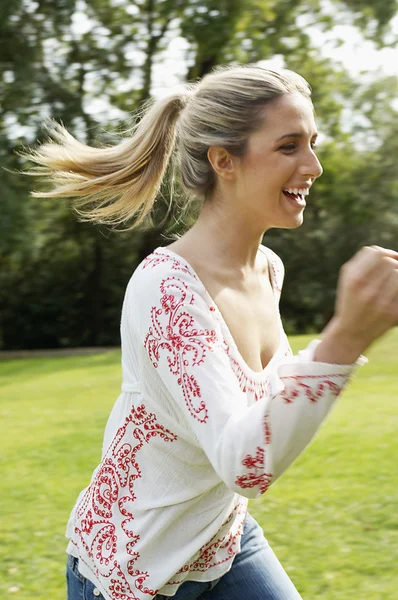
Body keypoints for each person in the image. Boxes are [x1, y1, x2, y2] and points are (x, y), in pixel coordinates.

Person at [23, 65, 398, 600]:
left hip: (223, 540)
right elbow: (246, 464)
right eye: (289, 146)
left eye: (312, 144)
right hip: (134, 569)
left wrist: (347, 336)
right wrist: (345, 339)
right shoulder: (167, 289)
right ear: (224, 161)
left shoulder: (268, 269)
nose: (313, 165)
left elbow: (263, 418)